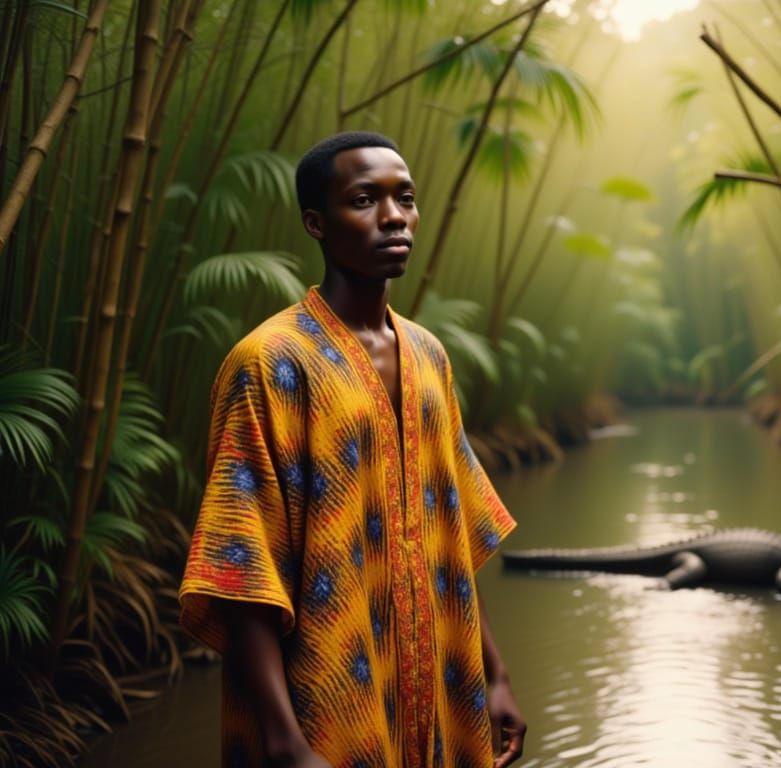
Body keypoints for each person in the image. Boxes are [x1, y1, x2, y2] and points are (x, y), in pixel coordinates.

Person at [179, 131, 526, 768]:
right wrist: (285, 742)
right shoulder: (270, 364)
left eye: (405, 198)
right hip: (322, 701)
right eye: (364, 199)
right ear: (317, 222)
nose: (393, 217)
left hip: (434, 690)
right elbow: (243, 567)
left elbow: (442, 545)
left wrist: (493, 675)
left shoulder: (428, 356)